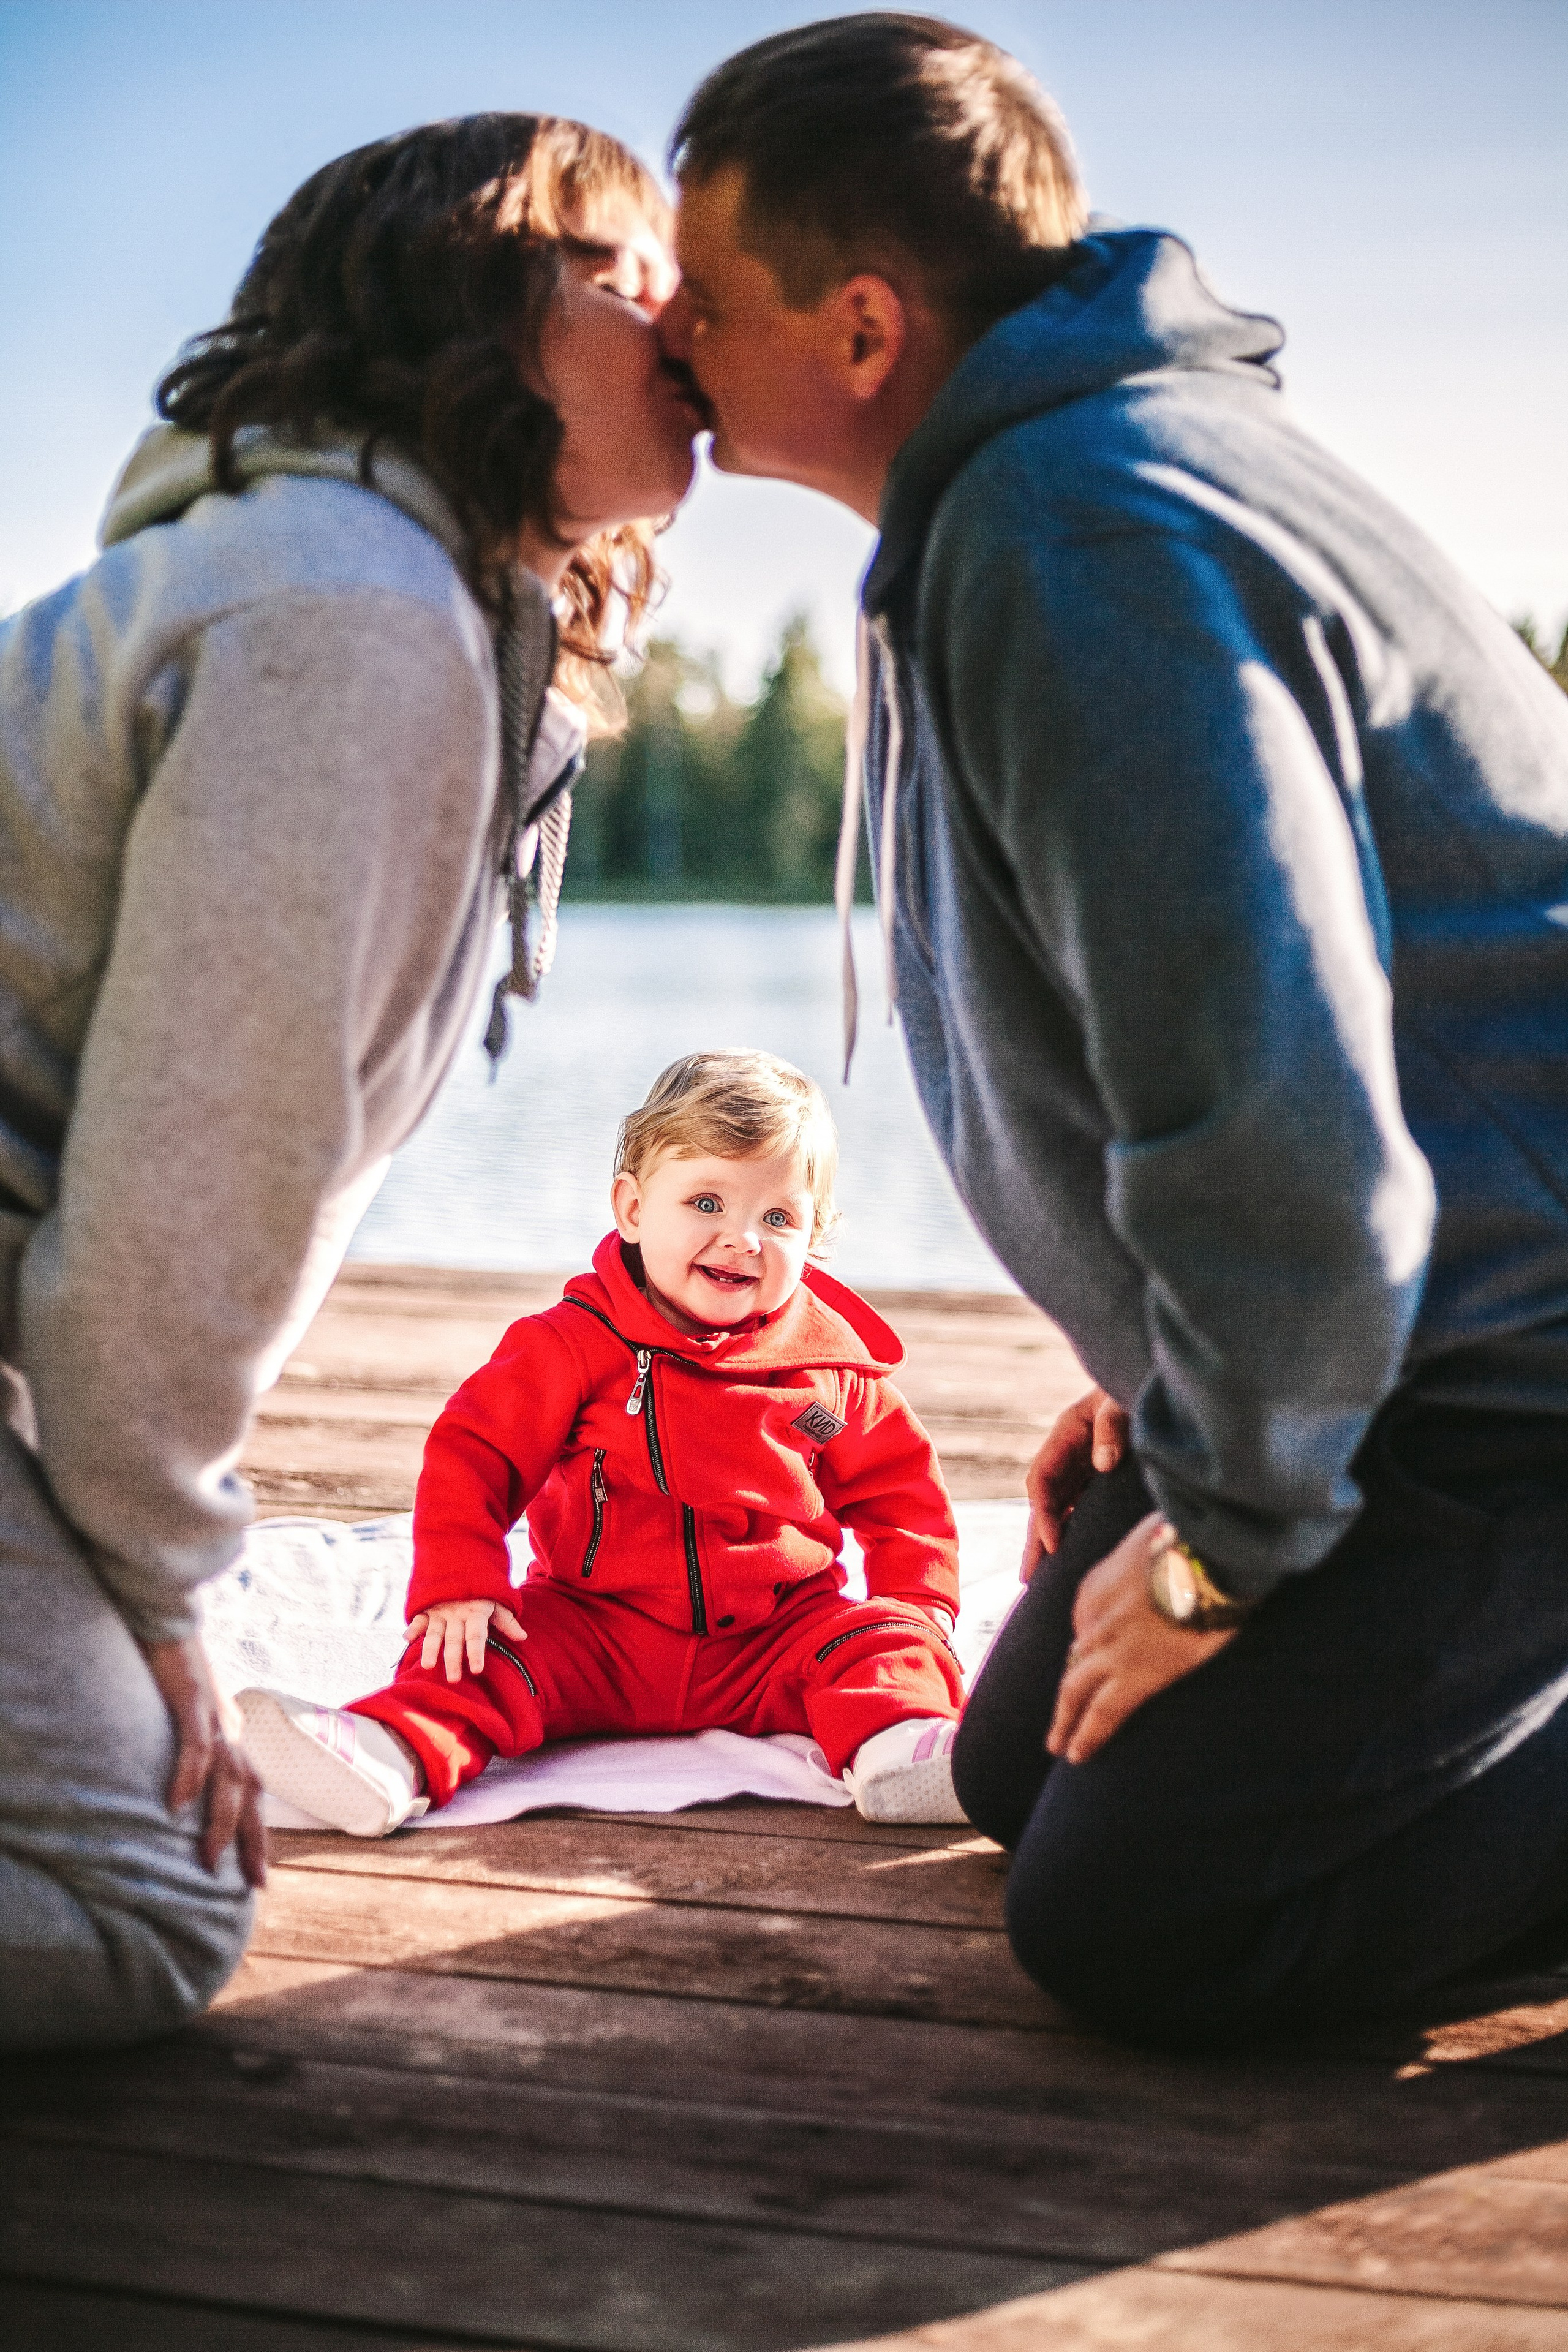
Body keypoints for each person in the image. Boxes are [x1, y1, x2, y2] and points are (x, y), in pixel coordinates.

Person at [660, 15, 1568, 2045]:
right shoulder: (1041, 489)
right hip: (1398, 1352)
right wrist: (1177, 1384)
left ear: (867, 325)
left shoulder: (1081, 533)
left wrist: (1227, 1541)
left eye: (709, 301)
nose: (672, 340)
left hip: (1518, 1388)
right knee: (1015, 1775)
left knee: (1145, 1920)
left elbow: (1274, 1105)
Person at [0, 112, 703, 2051]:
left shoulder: (393, 598)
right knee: (146, 1900)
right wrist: (161, 1607)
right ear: (482, 306)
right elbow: (172, 1223)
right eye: (632, 272)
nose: (691, 320)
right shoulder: (352, 623)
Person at [238, 1050, 967, 1831]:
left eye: (778, 1218)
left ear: (815, 1236)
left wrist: (918, 1607)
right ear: (632, 1209)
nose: (741, 1239)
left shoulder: (828, 1379)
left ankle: (905, 1752)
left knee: (877, 1647)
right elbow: (474, 1456)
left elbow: (902, 1499)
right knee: (473, 1653)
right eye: (706, 1203)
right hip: (593, 1632)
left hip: (773, 1639)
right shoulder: (574, 1346)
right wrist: (461, 1579)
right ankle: (391, 1753)